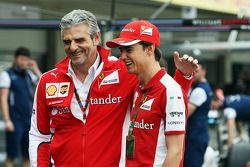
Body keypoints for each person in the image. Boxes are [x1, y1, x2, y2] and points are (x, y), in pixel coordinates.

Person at [29, 9, 198, 167]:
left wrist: (184, 78)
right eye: (67, 42)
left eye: (80, 40)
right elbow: (39, 136)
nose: (73, 47)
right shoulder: (48, 81)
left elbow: (160, 92)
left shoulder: (124, 70)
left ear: (96, 38)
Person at [106, 20, 190, 167]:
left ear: (150, 49)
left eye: (129, 50)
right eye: (121, 51)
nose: (122, 57)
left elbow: (176, 153)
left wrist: (185, 76)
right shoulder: (138, 86)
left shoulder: (170, 90)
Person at [0, 47, 42, 167]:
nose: (24, 62)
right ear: (16, 59)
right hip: (14, 120)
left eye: (26, 59)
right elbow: (3, 98)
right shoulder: (7, 74)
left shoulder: (28, 74)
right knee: (11, 156)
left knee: (27, 155)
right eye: (21, 59)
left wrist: (35, 69)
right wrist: (7, 120)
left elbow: (44, 84)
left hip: (28, 121)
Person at [183, 62, 213, 167]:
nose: (194, 74)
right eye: (192, 71)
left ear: (204, 72)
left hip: (195, 137)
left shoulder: (200, 90)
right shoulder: (205, 87)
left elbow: (184, 114)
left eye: (197, 71)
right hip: (199, 135)